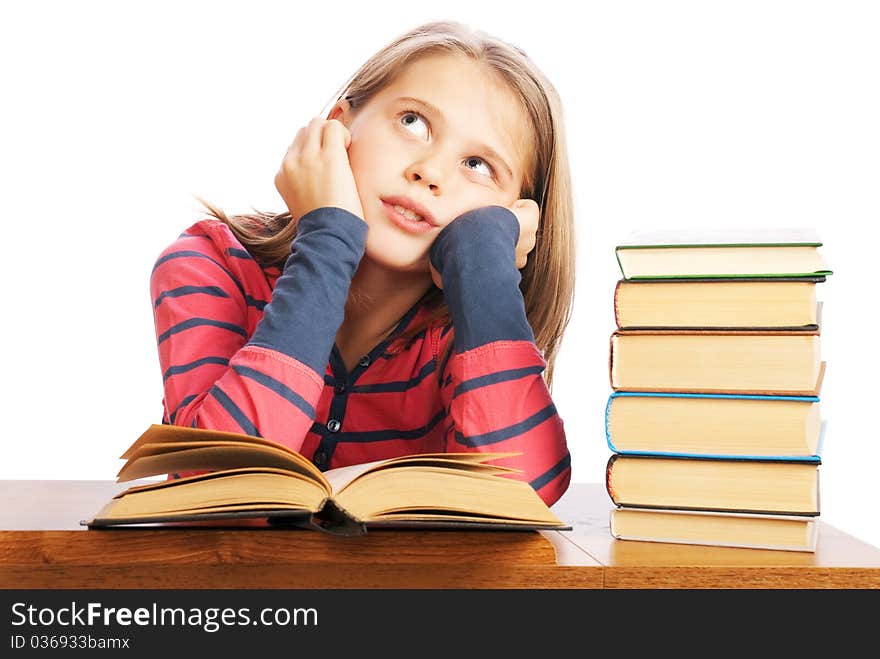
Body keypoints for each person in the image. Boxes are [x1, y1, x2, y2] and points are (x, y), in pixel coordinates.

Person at [150, 20, 575, 506]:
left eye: (477, 165)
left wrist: (481, 264)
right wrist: (328, 238)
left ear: (516, 219)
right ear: (338, 127)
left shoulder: (466, 331)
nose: (429, 172)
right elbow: (217, 484)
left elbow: (518, 497)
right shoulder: (210, 263)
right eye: (413, 122)